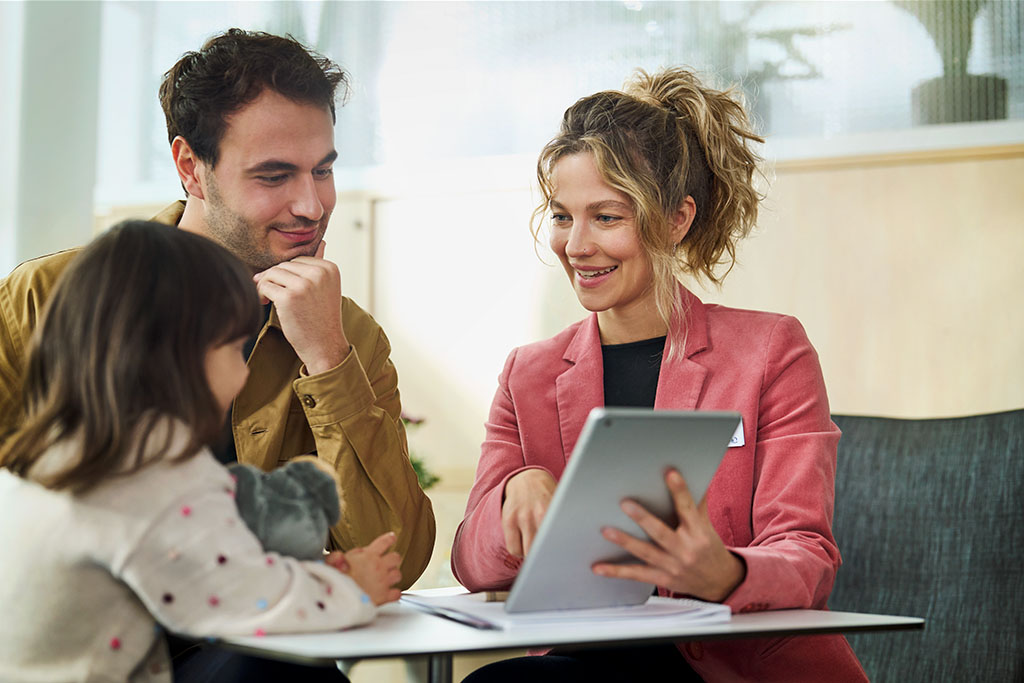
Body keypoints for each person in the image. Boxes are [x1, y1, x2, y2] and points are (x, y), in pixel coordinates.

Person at [451, 68, 867, 682]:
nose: (575, 244)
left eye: (608, 217)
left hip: (732, 670)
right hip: (589, 667)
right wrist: (512, 496)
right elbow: (471, 564)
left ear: (676, 219)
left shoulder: (770, 351)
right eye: (563, 216)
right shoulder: (528, 373)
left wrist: (722, 571)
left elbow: (807, 556)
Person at [0, 29, 434, 588]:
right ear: (190, 166)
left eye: (322, 170)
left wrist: (328, 361)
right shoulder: (42, 299)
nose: (311, 205)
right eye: (274, 176)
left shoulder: (347, 336)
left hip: (256, 643)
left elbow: (399, 561)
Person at [0, 221, 402, 683]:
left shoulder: (50, 458)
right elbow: (243, 599)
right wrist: (353, 589)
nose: (244, 373)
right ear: (177, 357)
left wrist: (295, 573)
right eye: (232, 348)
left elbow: (211, 565)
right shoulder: (158, 476)